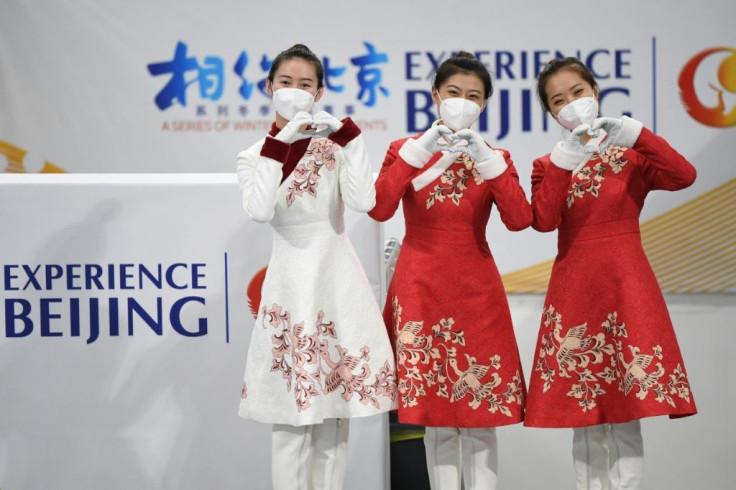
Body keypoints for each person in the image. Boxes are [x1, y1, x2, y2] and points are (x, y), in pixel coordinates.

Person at [524, 57, 698, 490]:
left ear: (595, 92)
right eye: (558, 101)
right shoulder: (549, 163)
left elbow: (684, 175)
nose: (571, 105)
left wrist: (636, 133)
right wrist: (565, 160)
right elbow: (543, 220)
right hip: (575, 289)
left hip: (627, 284)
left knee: (627, 408)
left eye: (577, 93)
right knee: (581, 410)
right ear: (552, 114)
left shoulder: (632, 154)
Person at [236, 44, 397, 490]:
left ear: (320, 92)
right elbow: (259, 209)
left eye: (305, 84)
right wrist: (279, 146)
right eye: (285, 83)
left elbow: (366, 202)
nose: (294, 91)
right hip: (289, 282)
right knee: (290, 417)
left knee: (335, 415)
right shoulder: (254, 154)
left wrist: (350, 137)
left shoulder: (336, 145)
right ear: (269, 87)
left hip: (335, 278)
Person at [369, 52, 532, 490]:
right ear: (435, 96)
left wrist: (487, 159)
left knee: (481, 421)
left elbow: (520, 219)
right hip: (420, 287)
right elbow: (380, 205)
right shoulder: (403, 150)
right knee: (436, 420)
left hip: (477, 292)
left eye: (474, 96)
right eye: (454, 93)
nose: (462, 102)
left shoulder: (495, 156)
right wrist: (421, 151)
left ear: (484, 105)